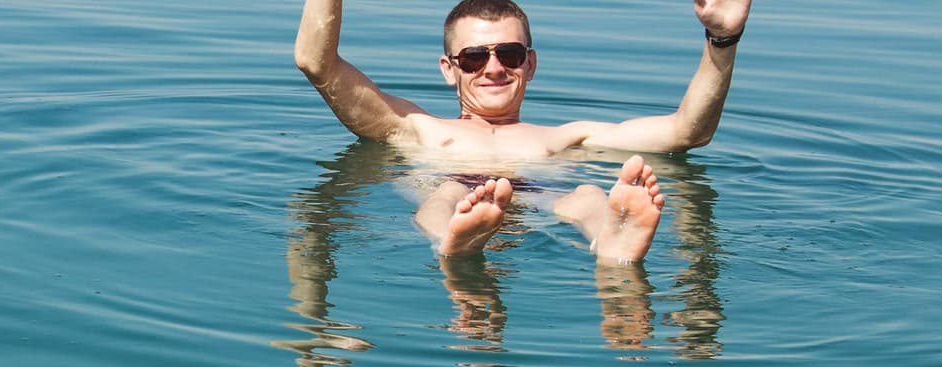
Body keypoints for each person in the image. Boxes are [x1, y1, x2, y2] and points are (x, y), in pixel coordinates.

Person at [294, 0, 752, 264]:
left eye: (509, 54)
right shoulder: (414, 128)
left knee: (589, 196)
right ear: (449, 70)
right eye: (474, 57)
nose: (493, 68)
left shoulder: (570, 136)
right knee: (448, 194)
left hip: (538, 198)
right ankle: (452, 243)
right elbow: (317, 63)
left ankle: (611, 245)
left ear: (529, 64)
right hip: (453, 195)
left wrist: (722, 41)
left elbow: (686, 132)